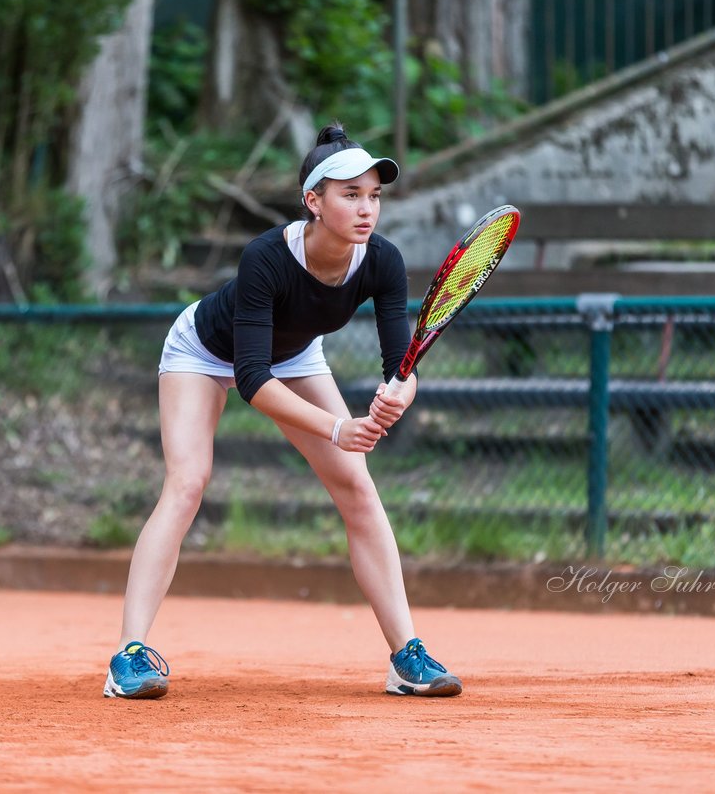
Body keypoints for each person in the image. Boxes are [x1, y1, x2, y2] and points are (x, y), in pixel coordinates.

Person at [104, 124, 462, 700]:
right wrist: (337, 427)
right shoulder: (266, 257)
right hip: (204, 352)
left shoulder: (382, 262)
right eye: (350, 195)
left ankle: (406, 656)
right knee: (187, 483)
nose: (366, 208)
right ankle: (128, 656)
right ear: (313, 201)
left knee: (358, 488)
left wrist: (402, 389)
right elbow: (251, 380)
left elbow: (401, 363)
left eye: (374, 195)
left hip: (295, 355)